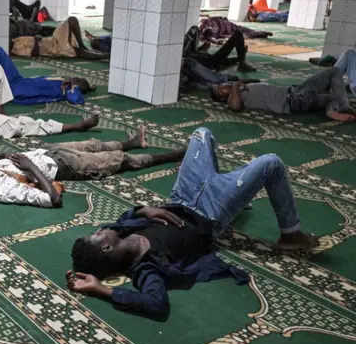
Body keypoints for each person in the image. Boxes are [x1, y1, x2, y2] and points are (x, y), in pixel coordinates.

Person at [66, 127, 319, 320]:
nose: (100, 229)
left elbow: (128, 215)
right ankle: (291, 234)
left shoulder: (122, 230)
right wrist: (102, 290)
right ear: (107, 249)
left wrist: (145, 209)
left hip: (183, 196)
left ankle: (227, 187)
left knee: (202, 134)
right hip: (211, 211)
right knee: (271, 163)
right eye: (97, 235)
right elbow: (156, 304)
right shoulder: (146, 268)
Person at [0, 127, 187, 208]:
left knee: (93, 145)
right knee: (118, 161)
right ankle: (168, 157)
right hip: (65, 167)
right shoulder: (6, 191)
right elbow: (54, 199)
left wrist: (4, 155)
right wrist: (30, 168)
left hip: (49, 151)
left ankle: (135, 142)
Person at [211, 66, 356, 122]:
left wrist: (241, 83)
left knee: (332, 95)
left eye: (221, 84)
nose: (223, 85)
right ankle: (342, 107)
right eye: (220, 89)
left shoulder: (241, 89)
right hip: (294, 96)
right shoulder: (233, 97)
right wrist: (235, 86)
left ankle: (332, 110)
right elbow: (235, 107)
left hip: (296, 102)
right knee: (334, 71)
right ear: (222, 97)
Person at [11, 16, 109, 60]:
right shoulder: (16, 49)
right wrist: (36, 39)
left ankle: (82, 45)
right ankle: (103, 56)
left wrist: (36, 37)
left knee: (72, 20)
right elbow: (34, 53)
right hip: (54, 49)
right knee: (76, 51)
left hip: (53, 39)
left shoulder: (15, 40)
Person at [183, 25, 256, 73]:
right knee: (238, 35)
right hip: (212, 61)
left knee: (233, 60)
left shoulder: (185, 52)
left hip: (211, 59)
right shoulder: (183, 57)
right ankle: (242, 62)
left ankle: (241, 59)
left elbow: (192, 54)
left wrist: (202, 48)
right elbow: (190, 57)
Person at [199, 16, 273, 42]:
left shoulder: (204, 22)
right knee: (243, 34)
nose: (213, 29)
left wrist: (221, 17)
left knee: (245, 29)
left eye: (211, 28)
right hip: (229, 31)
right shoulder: (209, 34)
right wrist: (218, 41)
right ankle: (261, 34)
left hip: (229, 25)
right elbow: (212, 39)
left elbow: (211, 18)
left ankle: (258, 32)